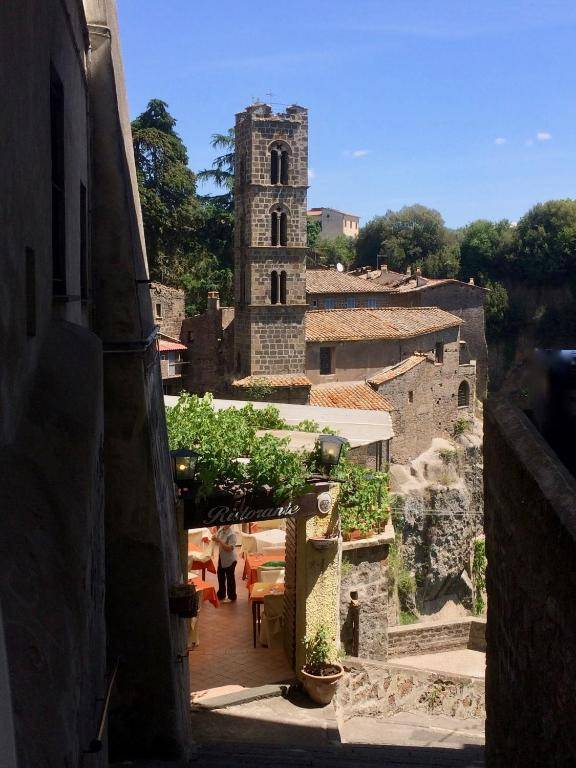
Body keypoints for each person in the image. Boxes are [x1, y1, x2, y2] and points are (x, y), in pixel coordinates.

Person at [214, 525, 237, 601]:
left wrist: (219, 540)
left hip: (230, 560)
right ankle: (221, 594)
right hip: (222, 558)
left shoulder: (232, 534)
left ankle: (232, 596)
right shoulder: (220, 529)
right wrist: (214, 538)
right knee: (220, 576)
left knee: (230, 579)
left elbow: (229, 549)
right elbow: (216, 539)